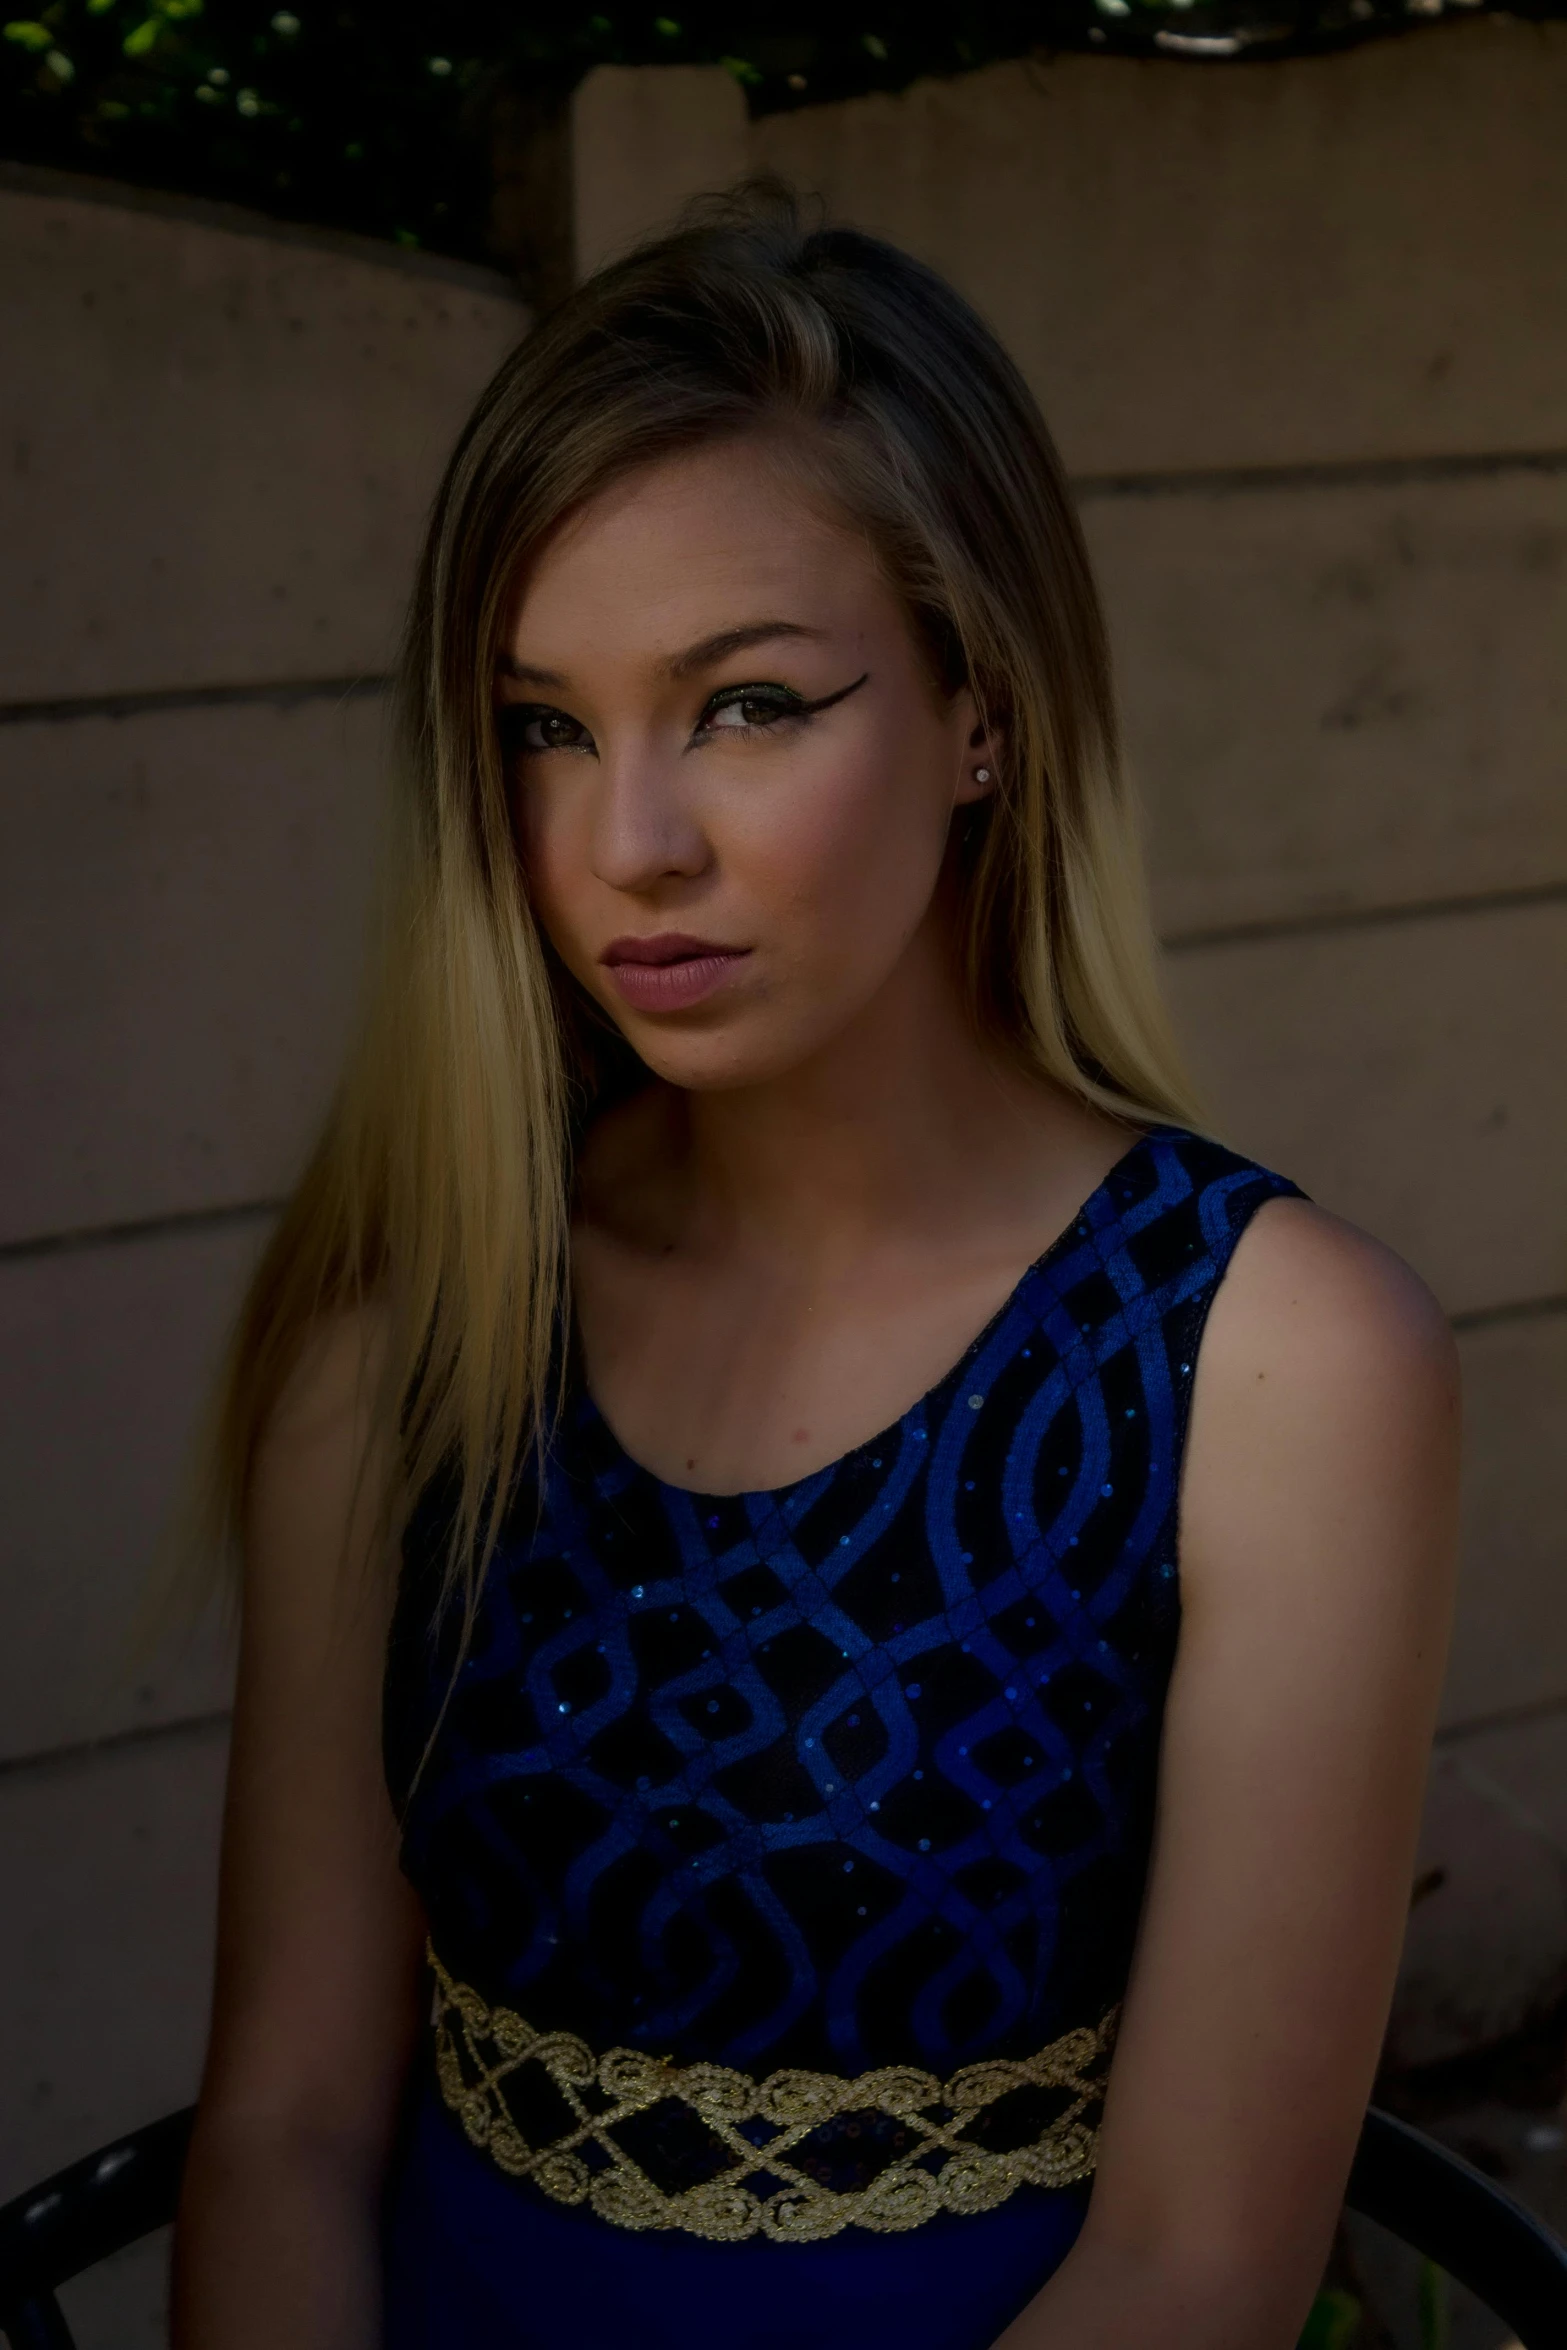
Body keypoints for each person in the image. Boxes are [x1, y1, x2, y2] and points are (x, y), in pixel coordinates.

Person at [171, 186, 1459, 2350]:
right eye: (543, 726)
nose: (626, 843)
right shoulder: (413, 1331)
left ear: (984, 708)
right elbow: (286, 2119)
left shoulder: (1275, 1365)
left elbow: (1201, 2261)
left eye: (747, 706)